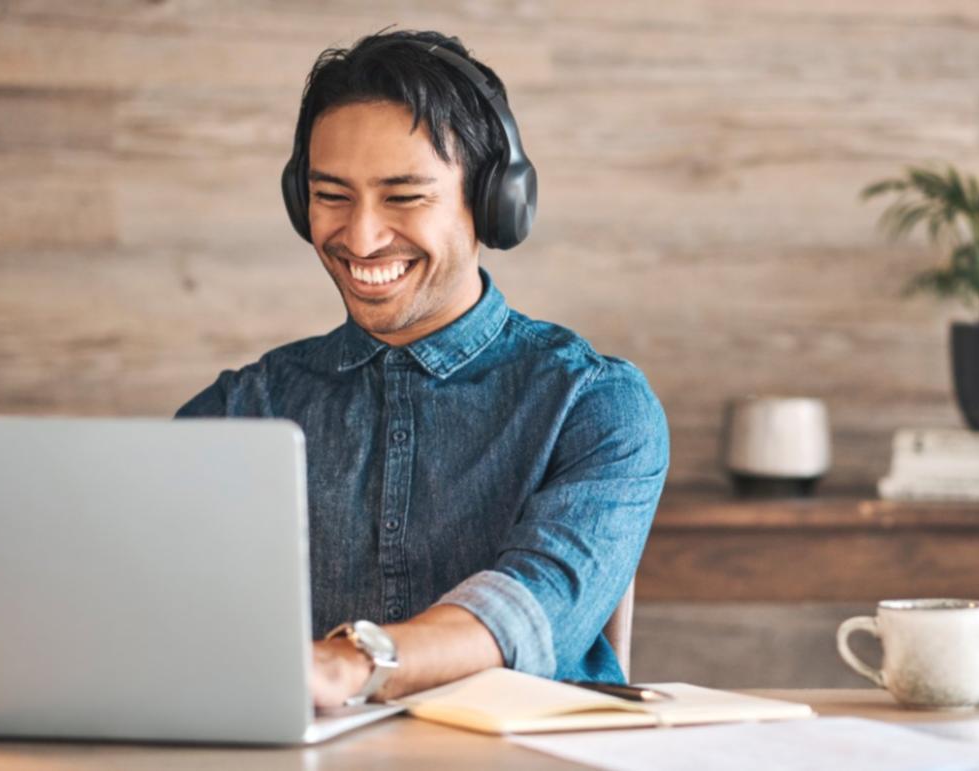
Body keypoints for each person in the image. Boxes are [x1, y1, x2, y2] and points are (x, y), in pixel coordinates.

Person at [175, 29, 669, 708]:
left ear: (493, 202)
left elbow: (532, 606)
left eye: (404, 197)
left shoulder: (593, 403)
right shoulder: (240, 409)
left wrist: (350, 664)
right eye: (332, 195)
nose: (361, 237)